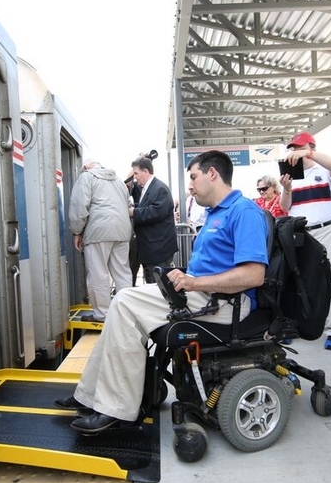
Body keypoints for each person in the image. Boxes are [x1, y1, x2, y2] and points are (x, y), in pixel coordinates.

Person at [55, 151, 269, 434]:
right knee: (123, 305)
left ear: (212, 174)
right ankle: (91, 395)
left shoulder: (244, 212)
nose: (190, 185)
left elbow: (254, 275)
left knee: (124, 302)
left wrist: (194, 283)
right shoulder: (217, 214)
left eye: (193, 177)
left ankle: (116, 407)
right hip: (205, 295)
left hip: (226, 303)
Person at [279, 131, 331, 351]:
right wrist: (286, 189)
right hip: (302, 233)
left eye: (298, 147)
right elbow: (285, 206)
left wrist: (309, 152)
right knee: (297, 280)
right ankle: (295, 325)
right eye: (292, 148)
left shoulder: (324, 171)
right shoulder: (290, 176)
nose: (293, 152)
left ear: (310, 148)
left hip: (326, 230)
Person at [68, 159, 133, 322]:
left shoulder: (87, 177)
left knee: (98, 274)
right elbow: (127, 206)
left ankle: (102, 315)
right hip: (122, 231)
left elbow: (79, 207)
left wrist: (77, 231)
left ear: (87, 167)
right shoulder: (118, 181)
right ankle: (127, 313)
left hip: (98, 231)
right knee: (123, 273)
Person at [129, 156, 178, 283]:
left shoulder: (160, 188)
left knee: (159, 285)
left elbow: (156, 211)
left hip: (158, 249)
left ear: (145, 172)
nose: (135, 177)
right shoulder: (149, 188)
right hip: (151, 248)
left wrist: (133, 212)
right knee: (152, 283)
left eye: (136, 173)